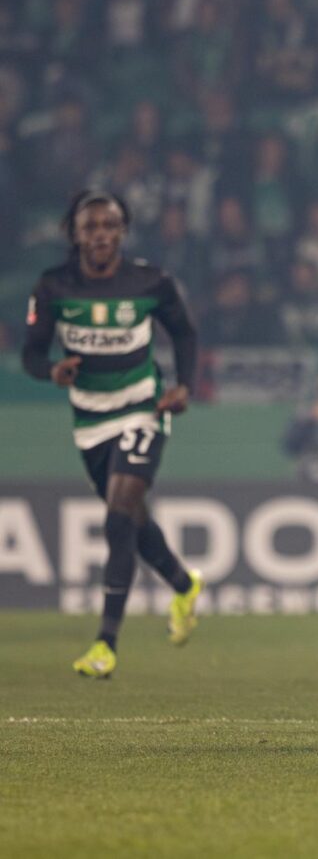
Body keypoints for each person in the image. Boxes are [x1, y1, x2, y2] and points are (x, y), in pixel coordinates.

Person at [21, 190, 203, 678]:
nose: (101, 234)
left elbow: (184, 332)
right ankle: (184, 586)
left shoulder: (150, 281)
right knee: (134, 523)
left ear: (123, 230)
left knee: (118, 518)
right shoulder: (54, 287)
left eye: (110, 225)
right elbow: (31, 354)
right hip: (90, 420)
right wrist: (51, 371)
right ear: (75, 234)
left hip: (143, 407)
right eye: (91, 226)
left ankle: (105, 644)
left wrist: (184, 385)